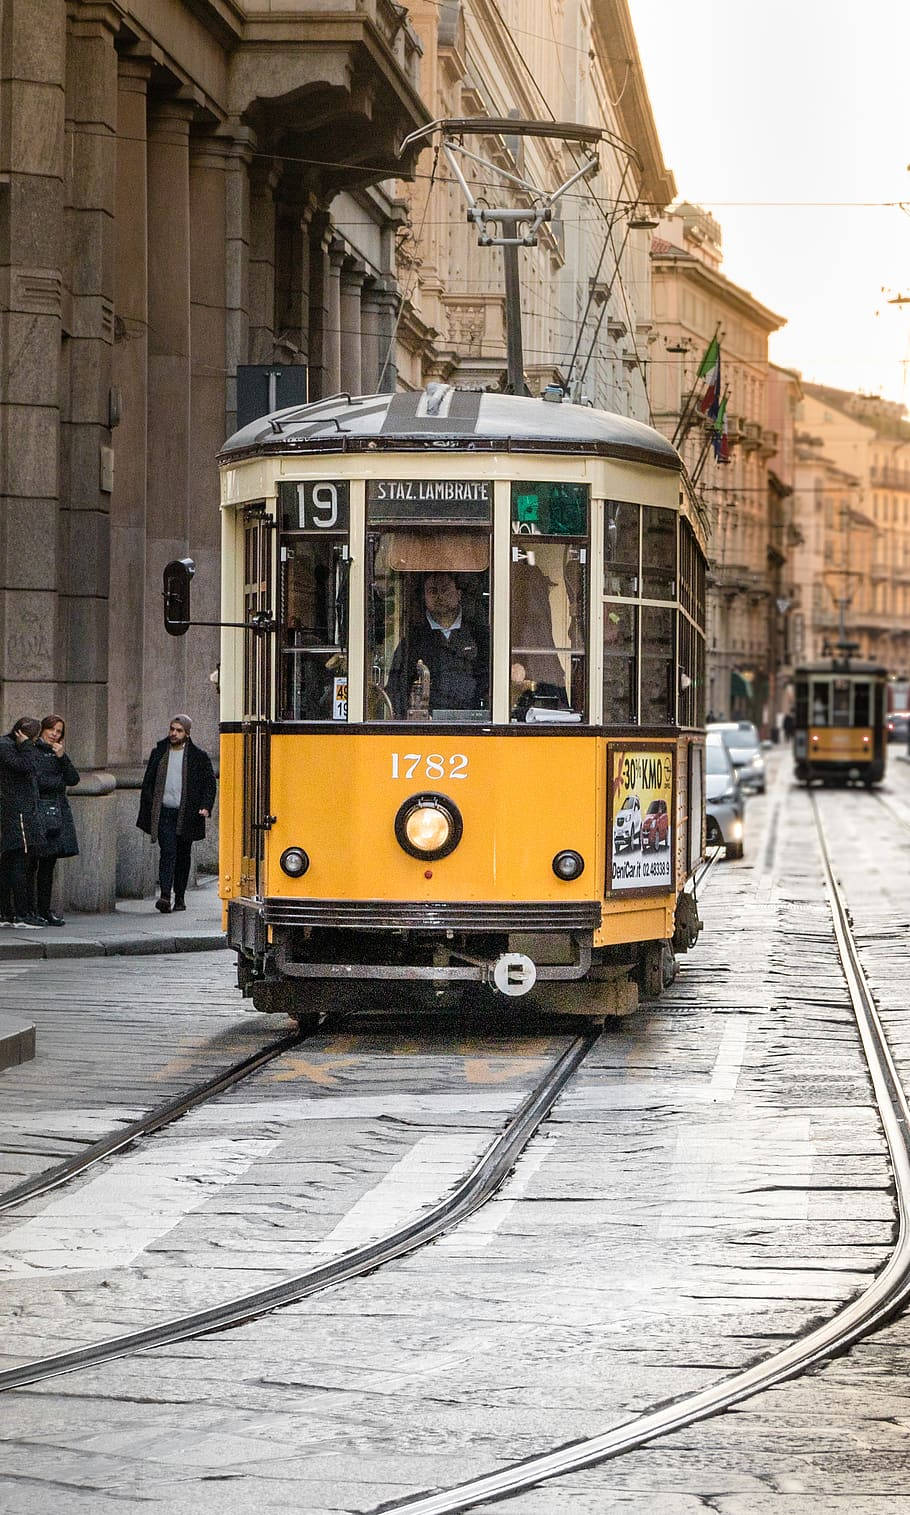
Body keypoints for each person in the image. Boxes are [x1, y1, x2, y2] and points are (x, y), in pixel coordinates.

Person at [137, 715, 216, 914]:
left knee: (183, 855)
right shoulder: (159, 752)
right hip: (164, 812)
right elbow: (148, 782)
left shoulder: (198, 756)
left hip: (188, 814)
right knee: (168, 851)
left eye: (179, 730)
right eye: (172, 729)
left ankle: (179, 895)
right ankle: (165, 895)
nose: (173, 733)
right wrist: (150, 801)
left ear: (187, 733)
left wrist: (206, 806)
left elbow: (209, 784)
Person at [386, 573, 489, 719]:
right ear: (425, 598)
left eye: (445, 590)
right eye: (432, 591)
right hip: (427, 727)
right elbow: (396, 689)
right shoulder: (413, 641)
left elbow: (489, 681)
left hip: (473, 724)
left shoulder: (480, 635)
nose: (439, 596)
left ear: (459, 594)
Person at [28, 715, 80, 925]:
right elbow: (38, 781)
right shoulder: (32, 751)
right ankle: (30, 910)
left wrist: (62, 757)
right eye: (51, 729)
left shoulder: (57, 754)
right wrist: (57, 782)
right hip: (36, 813)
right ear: (42, 730)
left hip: (55, 816)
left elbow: (73, 779)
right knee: (31, 864)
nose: (54, 734)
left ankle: (44, 910)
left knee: (48, 865)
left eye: (59, 732)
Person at [0, 718, 47, 928]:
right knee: (18, 863)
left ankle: (11, 912)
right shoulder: (8, 747)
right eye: (34, 739)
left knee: (15, 863)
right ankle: (19, 913)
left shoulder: (18, 747)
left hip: (22, 811)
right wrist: (26, 745)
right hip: (16, 814)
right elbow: (26, 766)